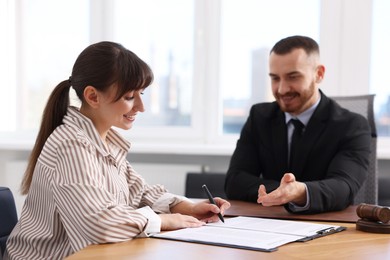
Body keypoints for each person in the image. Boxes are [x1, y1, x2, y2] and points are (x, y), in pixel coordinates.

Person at [4, 41, 230, 260]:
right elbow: (98, 225)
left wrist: (188, 207)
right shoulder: (70, 145)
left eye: (141, 94)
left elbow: (139, 193)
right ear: (93, 96)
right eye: (130, 97)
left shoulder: (105, 141)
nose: (141, 107)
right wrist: (163, 220)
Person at [224, 35, 371, 214]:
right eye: (275, 78)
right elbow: (235, 181)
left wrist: (299, 192)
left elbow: (343, 187)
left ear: (319, 74)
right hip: (269, 223)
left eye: (293, 77)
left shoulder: (352, 125)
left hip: (326, 227)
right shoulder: (259, 117)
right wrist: (283, 192)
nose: (282, 89)